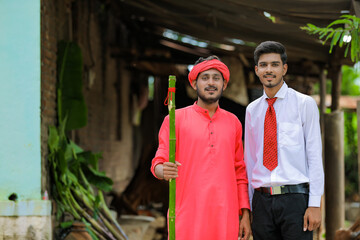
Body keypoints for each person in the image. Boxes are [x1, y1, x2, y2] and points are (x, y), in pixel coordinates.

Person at [151, 55, 251, 240]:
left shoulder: (234, 123)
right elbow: (159, 161)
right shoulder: (174, 120)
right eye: (205, 78)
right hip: (188, 216)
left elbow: (240, 170)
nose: (211, 83)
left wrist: (245, 212)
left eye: (216, 78)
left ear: (224, 85)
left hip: (225, 217)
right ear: (194, 84)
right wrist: (162, 170)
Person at [244, 41, 324, 240]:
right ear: (256, 70)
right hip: (261, 202)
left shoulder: (304, 104)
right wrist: (250, 205)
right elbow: (250, 160)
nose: (269, 70)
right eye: (263, 65)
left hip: (295, 200)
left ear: (284, 69)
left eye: (274, 64)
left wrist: (315, 204)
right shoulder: (252, 110)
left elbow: (314, 156)